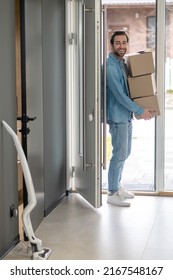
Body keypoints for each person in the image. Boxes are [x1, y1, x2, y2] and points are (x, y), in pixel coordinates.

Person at [106, 30, 154, 207]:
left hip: (125, 115)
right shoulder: (110, 66)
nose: (121, 46)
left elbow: (131, 87)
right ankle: (111, 192)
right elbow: (119, 95)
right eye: (117, 43)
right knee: (119, 154)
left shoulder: (121, 63)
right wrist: (140, 110)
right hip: (117, 116)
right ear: (112, 45)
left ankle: (117, 186)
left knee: (125, 153)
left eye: (124, 43)